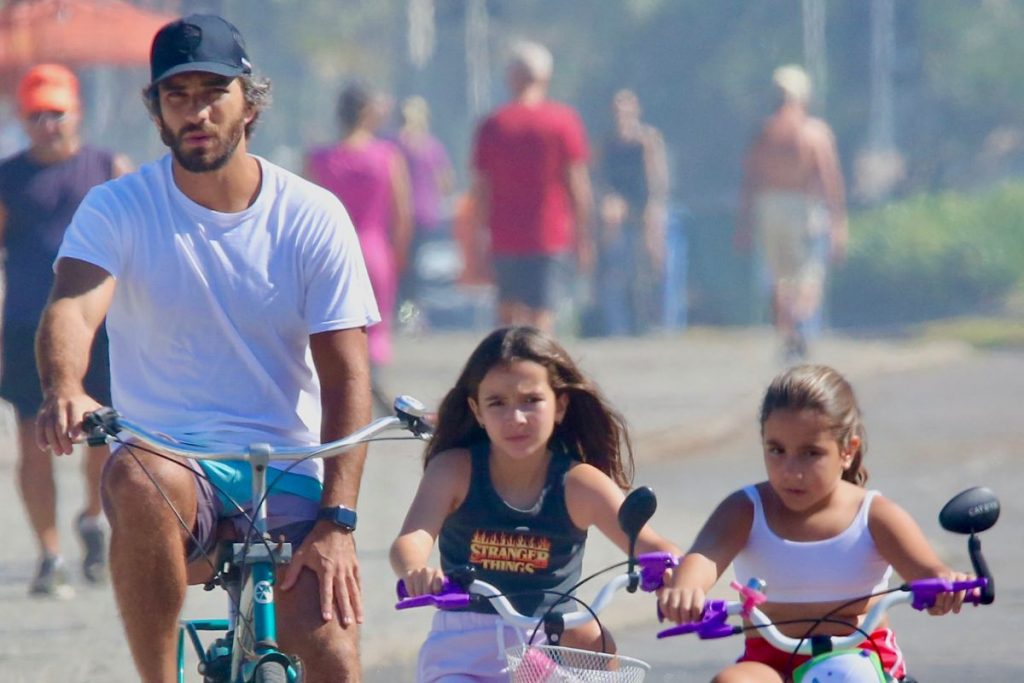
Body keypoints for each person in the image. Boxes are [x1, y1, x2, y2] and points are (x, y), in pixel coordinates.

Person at [33, 15, 379, 683]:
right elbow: (73, 306)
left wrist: (337, 521)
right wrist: (65, 386)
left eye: (212, 92)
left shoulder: (311, 215)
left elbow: (347, 376)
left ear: (250, 101)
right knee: (134, 472)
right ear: (157, 111)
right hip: (170, 470)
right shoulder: (118, 207)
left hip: (285, 468)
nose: (196, 111)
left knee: (334, 656)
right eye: (177, 95)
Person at [390, 325, 684, 682]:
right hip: (463, 651)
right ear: (477, 410)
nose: (516, 418)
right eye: (497, 403)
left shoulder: (580, 484)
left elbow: (651, 545)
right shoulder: (453, 471)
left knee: (597, 641)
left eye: (531, 400)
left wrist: (671, 572)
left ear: (560, 405)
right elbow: (410, 541)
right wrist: (416, 570)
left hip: (549, 649)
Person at [660, 364, 974, 683]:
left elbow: (929, 575)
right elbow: (704, 555)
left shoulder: (874, 514)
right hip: (769, 661)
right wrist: (686, 588)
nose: (791, 470)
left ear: (847, 451)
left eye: (811, 453)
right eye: (776, 450)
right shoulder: (744, 509)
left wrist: (947, 587)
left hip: (858, 656)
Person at [0, 63, 131, 597]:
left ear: (75, 112)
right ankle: (50, 552)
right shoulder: (9, 178)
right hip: (29, 327)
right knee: (34, 443)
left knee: (101, 435)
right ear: (22, 119)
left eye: (56, 112)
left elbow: (138, 248)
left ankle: (93, 518)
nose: (48, 123)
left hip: (102, 327)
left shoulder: (107, 167)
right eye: (37, 115)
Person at [469, 41, 594, 334]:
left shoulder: (493, 125)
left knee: (507, 324)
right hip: (549, 237)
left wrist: (476, 242)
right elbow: (578, 186)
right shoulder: (563, 122)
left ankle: (506, 377)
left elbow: (480, 191)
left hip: (504, 238)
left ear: (511, 78)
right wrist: (585, 238)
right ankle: (538, 377)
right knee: (542, 322)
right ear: (546, 77)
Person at [307, 80, 413, 413]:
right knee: (375, 326)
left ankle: (340, 393)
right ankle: (369, 388)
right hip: (374, 248)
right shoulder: (386, 156)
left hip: (330, 252)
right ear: (368, 114)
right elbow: (402, 212)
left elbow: (304, 212)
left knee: (331, 322)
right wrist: (399, 251)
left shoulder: (320, 158)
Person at [735, 65, 848, 362]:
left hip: (769, 208)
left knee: (779, 277)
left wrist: (744, 223)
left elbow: (750, 180)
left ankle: (788, 333)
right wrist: (837, 223)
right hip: (801, 208)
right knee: (808, 274)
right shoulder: (814, 133)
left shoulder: (763, 133)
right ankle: (797, 321)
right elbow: (829, 179)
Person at [595, 88, 669, 336]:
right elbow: (602, 180)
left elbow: (657, 180)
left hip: (645, 203)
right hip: (618, 207)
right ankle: (617, 322)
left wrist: (651, 212)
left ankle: (656, 318)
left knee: (654, 255)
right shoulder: (607, 143)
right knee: (613, 242)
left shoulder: (647, 140)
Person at [394, 95, 455, 324]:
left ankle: (405, 314)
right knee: (414, 267)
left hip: (398, 217)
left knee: (404, 269)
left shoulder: (393, 145)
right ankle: (412, 315)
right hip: (425, 216)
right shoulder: (431, 147)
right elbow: (446, 181)